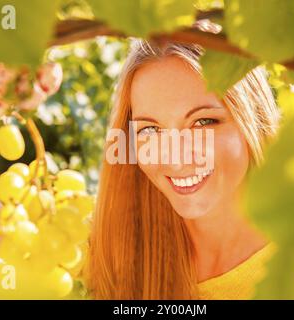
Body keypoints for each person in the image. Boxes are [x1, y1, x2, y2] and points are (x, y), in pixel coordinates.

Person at [85, 38, 281, 299]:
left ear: (252, 119)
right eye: (151, 130)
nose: (175, 160)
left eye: (203, 122)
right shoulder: (101, 251)